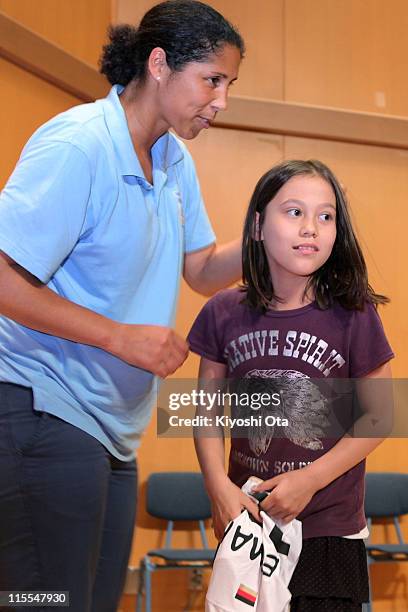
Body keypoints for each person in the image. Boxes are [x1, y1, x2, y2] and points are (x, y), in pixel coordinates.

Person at [0, 1, 245, 610]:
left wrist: (272, 230)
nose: (221, 101)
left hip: (111, 433)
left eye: (229, 85)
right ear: (159, 64)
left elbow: (201, 269)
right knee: (46, 602)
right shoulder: (79, 145)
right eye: (212, 80)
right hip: (42, 413)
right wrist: (118, 337)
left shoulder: (172, 158)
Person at [188, 159, 394, 611]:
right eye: (294, 212)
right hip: (251, 522)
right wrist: (217, 487)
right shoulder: (223, 311)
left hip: (329, 528)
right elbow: (202, 411)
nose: (311, 229)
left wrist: (309, 480)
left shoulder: (354, 312)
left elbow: (381, 415)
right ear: (258, 226)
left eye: (325, 216)